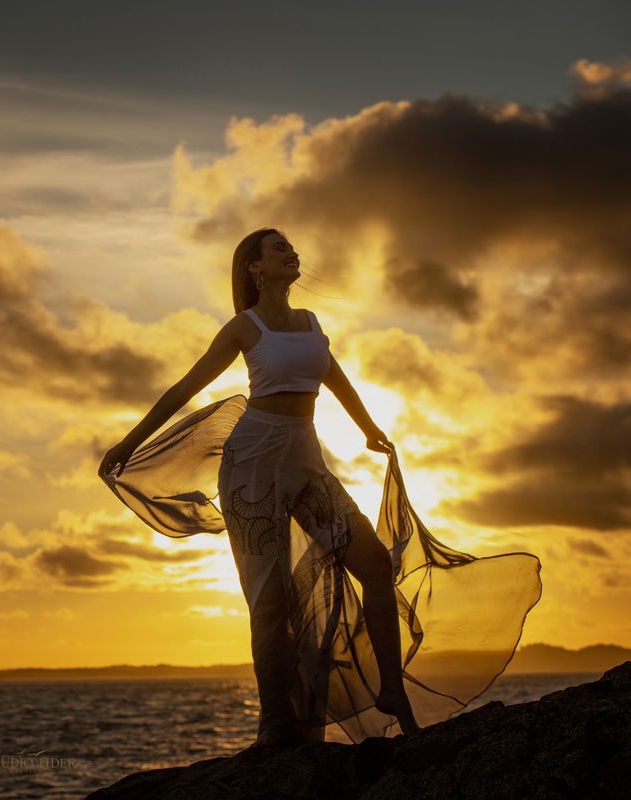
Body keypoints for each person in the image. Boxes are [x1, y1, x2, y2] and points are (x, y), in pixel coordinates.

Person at [99, 228, 423, 746]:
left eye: (292, 246)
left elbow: (335, 378)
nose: (292, 251)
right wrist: (127, 445)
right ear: (255, 267)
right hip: (251, 465)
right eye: (279, 247)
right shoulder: (244, 328)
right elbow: (184, 388)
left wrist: (368, 428)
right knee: (269, 599)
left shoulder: (310, 323)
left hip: (307, 461)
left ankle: (391, 689)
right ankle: (275, 723)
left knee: (375, 564)